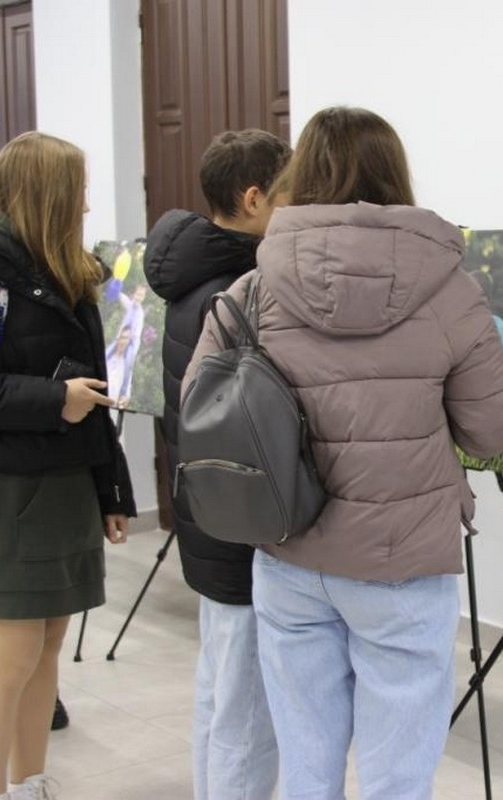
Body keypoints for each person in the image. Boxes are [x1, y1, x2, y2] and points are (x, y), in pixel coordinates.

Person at [185, 106, 503, 799]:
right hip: (404, 561)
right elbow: (492, 435)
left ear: (299, 173)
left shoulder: (251, 289)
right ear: (395, 174)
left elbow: (198, 410)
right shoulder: (453, 292)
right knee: (398, 776)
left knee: (307, 766)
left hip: (290, 551)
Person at [0, 131, 136, 800]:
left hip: (67, 484)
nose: (88, 202)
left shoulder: (68, 275)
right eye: (77, 189)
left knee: (45, 650)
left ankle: (29, 781)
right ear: (47, 195)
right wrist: (52, 400)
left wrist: (111, 490)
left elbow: (93, 397)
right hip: (10, 492)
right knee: (11, 654)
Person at [144, 128, 290, 800]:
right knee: (245, 712)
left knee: (220, 693)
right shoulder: (240, 288)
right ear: (255, 197)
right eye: (289, 192)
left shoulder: (193, 275)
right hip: (240, 524)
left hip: (210, 516)